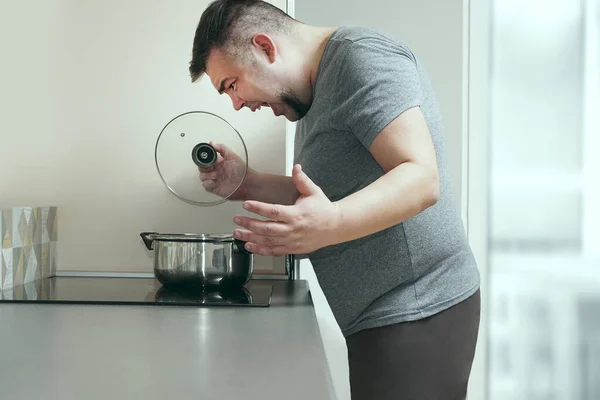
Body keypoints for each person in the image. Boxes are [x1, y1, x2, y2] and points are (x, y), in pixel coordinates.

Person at [189, 1, 481, 399]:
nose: (237, 104)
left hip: (419, 307)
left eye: (232, 84)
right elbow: (325, 196)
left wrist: (329, 226)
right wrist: (246, 182)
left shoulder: (361, 59)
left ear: (265, 47)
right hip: (381, 317)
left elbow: (421, 178)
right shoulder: (310, 93)